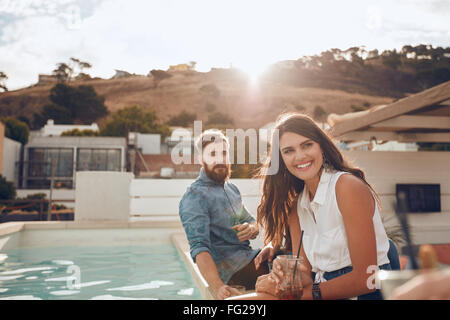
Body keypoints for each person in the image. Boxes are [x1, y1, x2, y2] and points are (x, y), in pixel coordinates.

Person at [250, 113, 396, 300]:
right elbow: (305, 274)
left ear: (321, 146)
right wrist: (285, 274)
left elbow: (366, 279)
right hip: (324, 292)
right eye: (288, 151)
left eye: (307, 145)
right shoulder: (296, 206)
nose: (300, 156)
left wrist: (311, 294)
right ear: (282, 160)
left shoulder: (347, 187)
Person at [178, 129, 267, 300]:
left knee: (290, 257)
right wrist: (218, 287)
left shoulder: (231, 189)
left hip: (250, 257)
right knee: (290, 269)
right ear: (200, 159)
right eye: (212, 154)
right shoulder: (195, 196)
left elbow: (251, 221)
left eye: (224, 153)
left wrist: (251, 228)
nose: (220, 159)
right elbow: (199, 248)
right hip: (232, 271)